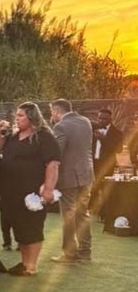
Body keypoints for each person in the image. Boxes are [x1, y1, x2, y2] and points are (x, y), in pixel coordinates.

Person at [0, 103, 60, 276]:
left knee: (32, 226)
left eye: (21, 115)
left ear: (32, 117)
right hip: (10, 190)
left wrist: (49, 189)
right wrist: (1, 132)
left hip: (32, 191)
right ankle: (24, 262)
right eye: (17, 115)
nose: (17, 118)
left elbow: (53, 163)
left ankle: (32, 265)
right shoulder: (14, 136)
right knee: (18, 225)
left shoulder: (43, 137)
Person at [50, 99, 94, 264]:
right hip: (87, 174)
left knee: (68, 215)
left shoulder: (61, 126)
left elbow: (57, 153)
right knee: (83, 213)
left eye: (52, 112)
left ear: (56, 110)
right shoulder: (85, 121)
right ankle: (85, 252)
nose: (51, 116)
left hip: (69, 177)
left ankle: (69, 253)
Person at [92, 106, 123, 186]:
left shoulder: (117, 133)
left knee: (106, 192)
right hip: (93, 164)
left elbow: (119, 149)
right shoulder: (93, 129)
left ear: (110, 119)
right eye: (99, 118)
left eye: (104, 119)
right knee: (92, 192)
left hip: (107, 165)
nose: (101, 120)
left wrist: (103, 139)